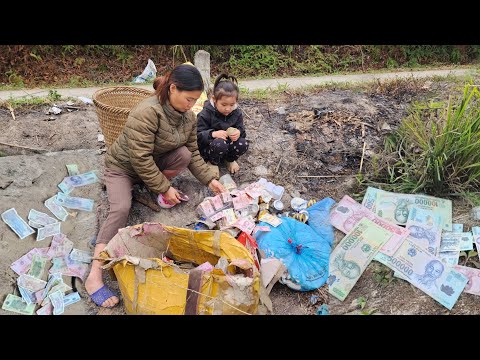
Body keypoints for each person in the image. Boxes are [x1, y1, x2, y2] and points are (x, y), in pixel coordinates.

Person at [85, 64, 226, 308]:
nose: (191, 105)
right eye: (188, 99)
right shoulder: (147, 112)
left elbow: (192, 152)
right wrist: (164, 187)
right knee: (121, 208)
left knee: (182, 154)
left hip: (151, 165)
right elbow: (139, 158)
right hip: (123, 168)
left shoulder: (188, 117)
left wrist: (210, 179)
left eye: (195, 100)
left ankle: (152, 187)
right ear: (173, 88)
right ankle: (94, 274)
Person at [196, 74, 248, 175]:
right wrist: (213, 134)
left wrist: (238, 132)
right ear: (214, 100)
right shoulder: (206, 113)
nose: (228, 109)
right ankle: (212, 162)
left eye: (232, 105)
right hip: (211, 148)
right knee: (219, 144)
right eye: (224, 105)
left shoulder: (236, 113)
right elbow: (197, 135)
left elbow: (242, 130)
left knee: (243, 143)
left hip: (228, 145)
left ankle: (230, 160)